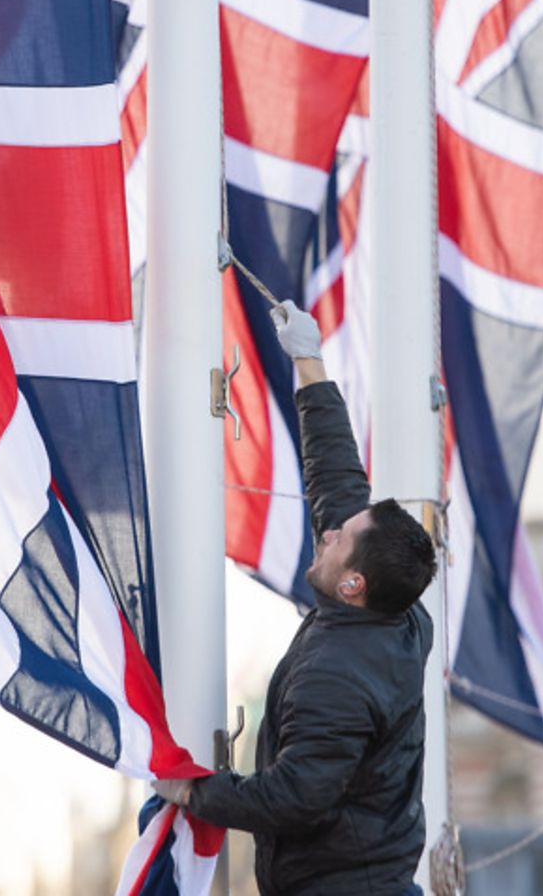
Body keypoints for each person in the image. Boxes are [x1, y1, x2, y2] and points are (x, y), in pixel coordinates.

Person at [153, 300, 439, 896]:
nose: (330, 531)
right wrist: (309, 362)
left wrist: (191, 790)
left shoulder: (337, 676)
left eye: (341, 538)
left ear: (353, 584)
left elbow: (295, 797)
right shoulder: (398, 612)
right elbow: (338, 482)